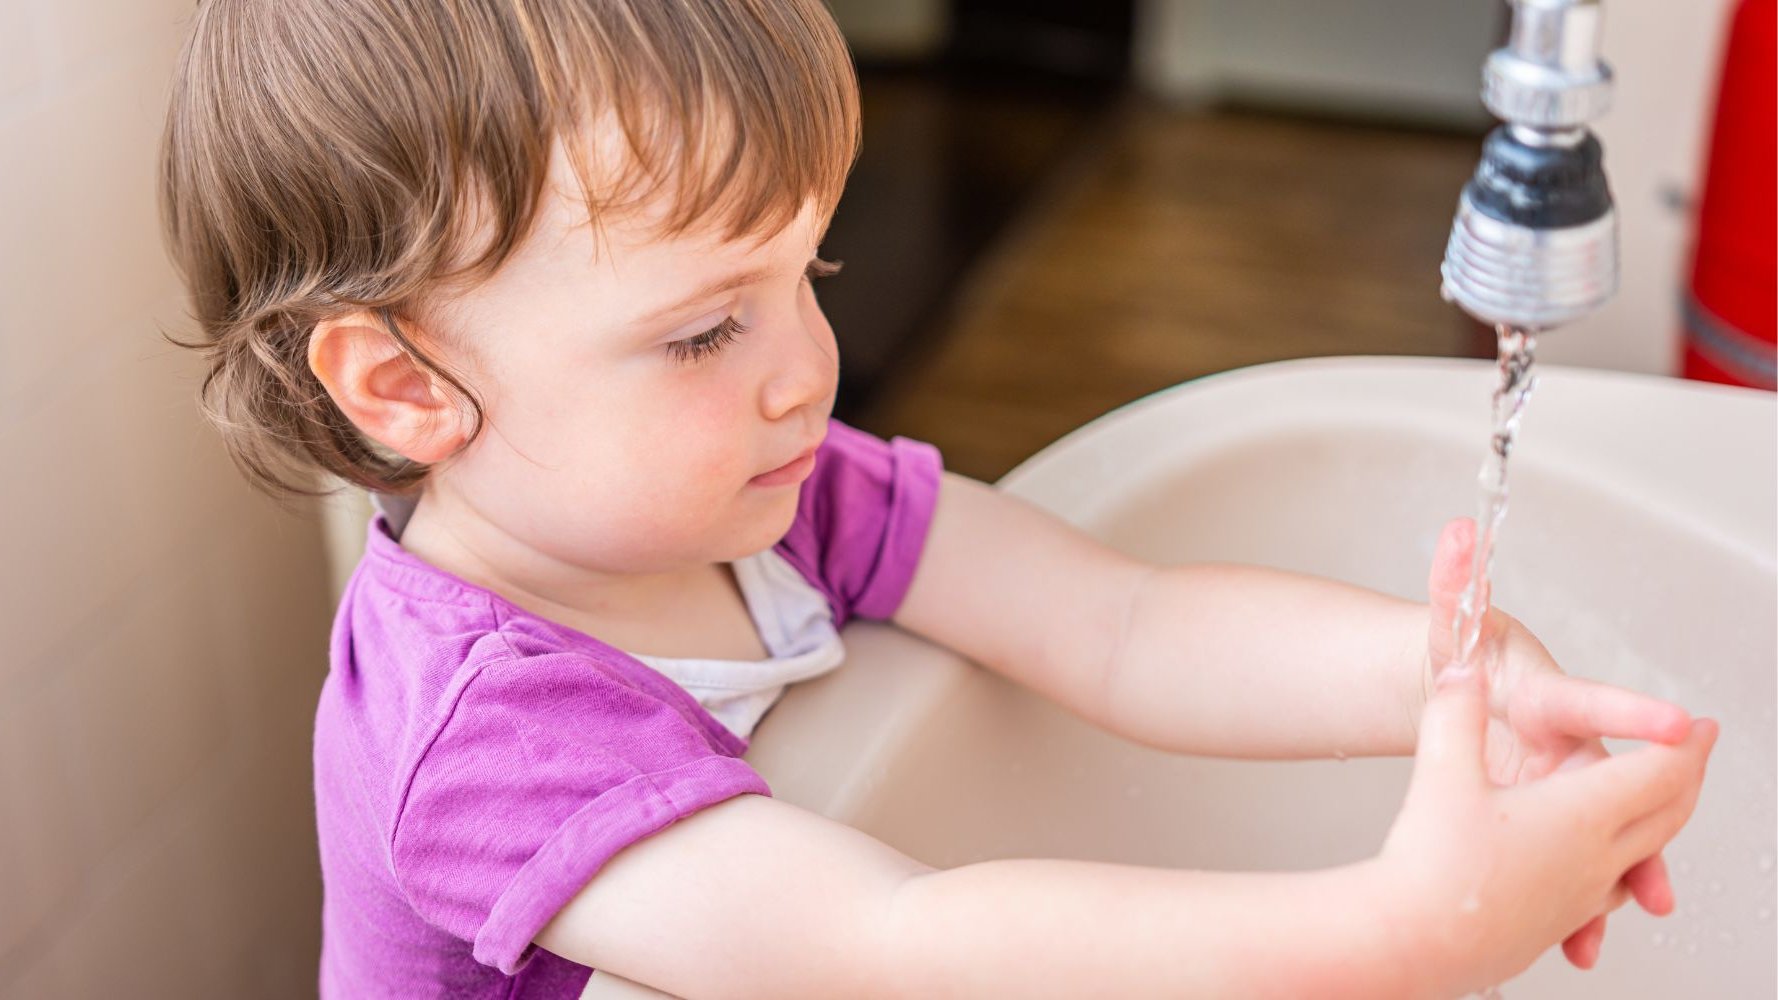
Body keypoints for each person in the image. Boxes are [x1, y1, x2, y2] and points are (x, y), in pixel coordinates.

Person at [157, 1, 1717, 996]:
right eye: (705, 328)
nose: (804, 370)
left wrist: (1443, 675)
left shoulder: (758, 494)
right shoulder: (483, 738)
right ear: (405, 389)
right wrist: (1398, 931)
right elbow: (886, 944)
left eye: (806, 273)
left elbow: (1123, 625)